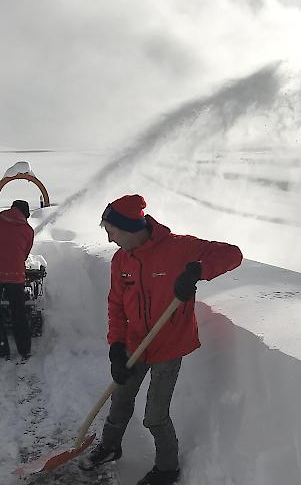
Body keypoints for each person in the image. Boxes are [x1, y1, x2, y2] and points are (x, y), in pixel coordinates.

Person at [79, 194, 243, 485]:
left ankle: (167, 468)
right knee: (120, 398)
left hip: (169, 345)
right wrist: (117, 346)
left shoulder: (179, 248)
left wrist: (198, 270)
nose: (109, 240)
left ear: (129, 228)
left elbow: (233, 254)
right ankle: (110, 446)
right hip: (134, 343)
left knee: (155, 415)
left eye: (111, 232)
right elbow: (116, 305)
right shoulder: (121, 260)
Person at [0, 200, 34, 362]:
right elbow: (24, 254)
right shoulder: (27, 230)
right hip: (15, 275)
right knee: (19, 312)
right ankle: (24, 350)